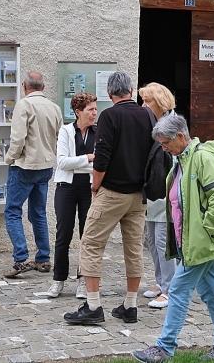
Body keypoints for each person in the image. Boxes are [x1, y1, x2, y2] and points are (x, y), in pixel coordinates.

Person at [132, 115, 214, 363]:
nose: (163, 148)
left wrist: (207, 232)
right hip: (191, 241)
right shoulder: (182, 161)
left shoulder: (203, 158)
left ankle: (164, 348)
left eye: (165, 143)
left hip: (201, 242)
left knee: (177, 290)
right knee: (211, 293)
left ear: (180, 136)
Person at [63, 71, 153, 325]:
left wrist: (95, 186)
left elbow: (101, 157)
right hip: (138, 194)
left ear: (110, 93)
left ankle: (93, 306)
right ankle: (130, 305)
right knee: (134, 249)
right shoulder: (147, 115)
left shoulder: (109, 116)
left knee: (91, 243)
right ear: (131, 90)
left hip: (113, 192)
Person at [3, 71, 63, 278]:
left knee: (12, 211)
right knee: (38, 212)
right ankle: (43, 258)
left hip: (24, 166)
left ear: (24, 86)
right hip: (45, 166)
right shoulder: (54, 107)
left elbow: (18, 138)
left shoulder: (24, 105)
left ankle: (20, 259)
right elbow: (59, 136)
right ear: (43, 87)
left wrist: (9, 158)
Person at [46, 92, 97, 299]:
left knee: (87, 236)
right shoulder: (66, 131)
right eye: (90, 109)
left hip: (89, 188)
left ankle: (83, 280)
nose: (94, 113)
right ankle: (58, 280)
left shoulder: (98, 132)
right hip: (66, 187)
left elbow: (101, 163)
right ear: (78, 112)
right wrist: (88, 158)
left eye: (95, 109)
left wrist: (79, 163)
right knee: (63, 234)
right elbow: (62, 162)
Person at [138, 82, 177, 309]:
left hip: (167, 191)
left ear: (160, 102)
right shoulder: (153, 122)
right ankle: (161, 281)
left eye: (147, 101)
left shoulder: (171, 123)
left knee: (163, 241)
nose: (144, 105)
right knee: (152, 239)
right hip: (154, 190)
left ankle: (170, 289)